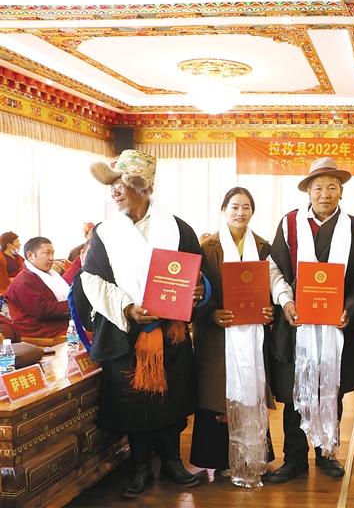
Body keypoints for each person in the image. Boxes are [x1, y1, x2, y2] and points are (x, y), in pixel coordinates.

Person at [72, 149, 208, 498]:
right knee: (133, 404)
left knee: (171, 400)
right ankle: (140, 468)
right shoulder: (105, 232)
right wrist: (128, 307)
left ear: (143, 187)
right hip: (126, 334)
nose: (114, 191)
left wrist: (198, 290)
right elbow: (92, 280)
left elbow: (199, 273)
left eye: (121, 184)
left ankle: (173, 463)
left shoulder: (177, 228)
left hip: (170, 332)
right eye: (112, 186)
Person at [266, 157, 354, 483]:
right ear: (308, 191)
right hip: (298, 324)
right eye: (318, 187)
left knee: (331, 390)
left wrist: (350, 309)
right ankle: (294, 458)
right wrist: (285, 301)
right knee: (295, 392)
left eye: (332, 187)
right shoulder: (290, 223)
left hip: (337, 324)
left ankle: (327, 452)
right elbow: (274, 269)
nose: (325, 194)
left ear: (341, 191)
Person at [190, 187, 275, 487]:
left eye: (246, 207)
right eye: (235, 207)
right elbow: (197, 291)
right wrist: (212, 312)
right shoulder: (207, 248)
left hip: (252, 335)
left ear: (253, 211)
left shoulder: (263, 247)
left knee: (251, 393)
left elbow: (273, 284)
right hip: (218, 335)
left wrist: (270, 309)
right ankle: (219, 460)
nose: (240, 212)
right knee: (218, 395)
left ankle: (253, 456)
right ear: (224, 209)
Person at [5, 237, 70, 338]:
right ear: (30, 256)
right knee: (91, 335)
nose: (51, 258)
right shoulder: (25, 280)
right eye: (47, 253)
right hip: (40, 330)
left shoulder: (50, 275)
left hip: (56, 324)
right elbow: (44, 311)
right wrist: (74, 303)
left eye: (52, 254)